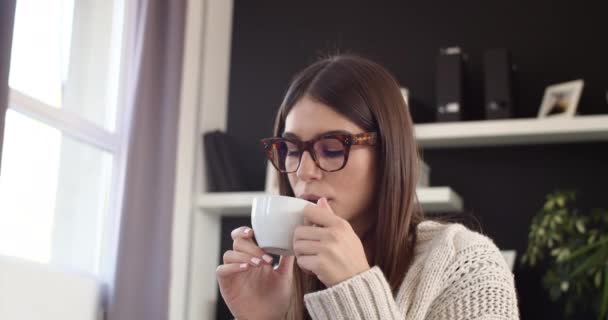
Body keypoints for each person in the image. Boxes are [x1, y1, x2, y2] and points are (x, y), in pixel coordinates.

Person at [216, 54, 520, 320]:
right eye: (292, 150)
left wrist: (354, 290)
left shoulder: (466, 265)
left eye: (332, 148)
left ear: (389, 153)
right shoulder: (281, 279)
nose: (304, 171)